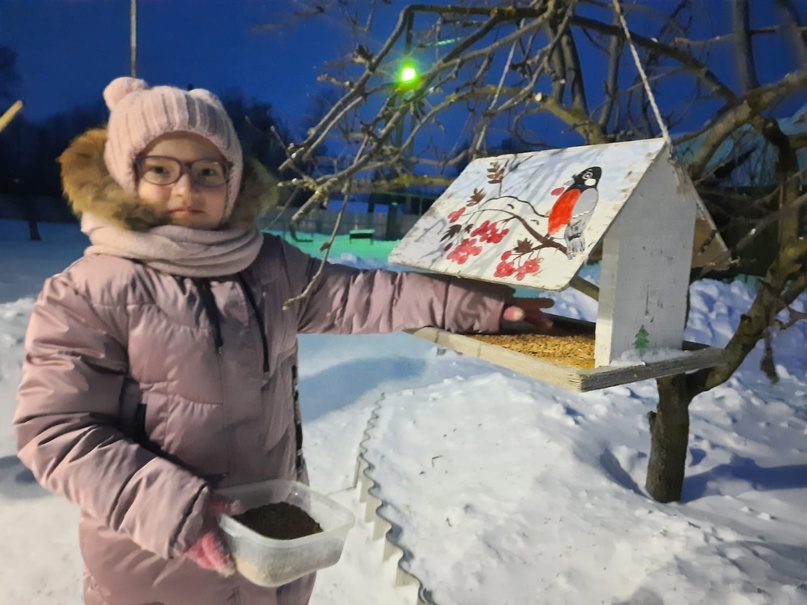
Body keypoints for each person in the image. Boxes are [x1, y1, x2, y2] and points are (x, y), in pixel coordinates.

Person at [14, 77, 553, 605]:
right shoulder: (90, 290)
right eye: (160, 170)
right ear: (122, 176)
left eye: (207, 172)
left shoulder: (266, 265)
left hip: (271, 549)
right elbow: (57, 432)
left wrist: (484, 305)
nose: (186, 189)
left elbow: (365, 296)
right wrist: (179, 511)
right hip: (158, 563)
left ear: (233, 180)